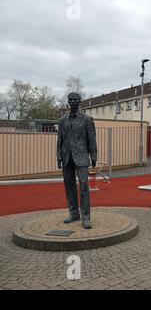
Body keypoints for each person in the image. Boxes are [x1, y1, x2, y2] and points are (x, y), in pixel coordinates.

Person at [57, 92, 97, 229]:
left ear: (80, 101)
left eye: (75, 99)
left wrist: (94, 156)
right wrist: (59, 156)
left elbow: (92, 139)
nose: (73, 101)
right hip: (67, 156)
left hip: (81, 157)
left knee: (84, 185)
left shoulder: (87, 119)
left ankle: (86, 217)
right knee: (69, 186)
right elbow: (60, 140)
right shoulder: (62, 120)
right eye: (70, 100)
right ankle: (73, 213)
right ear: (68, 102)